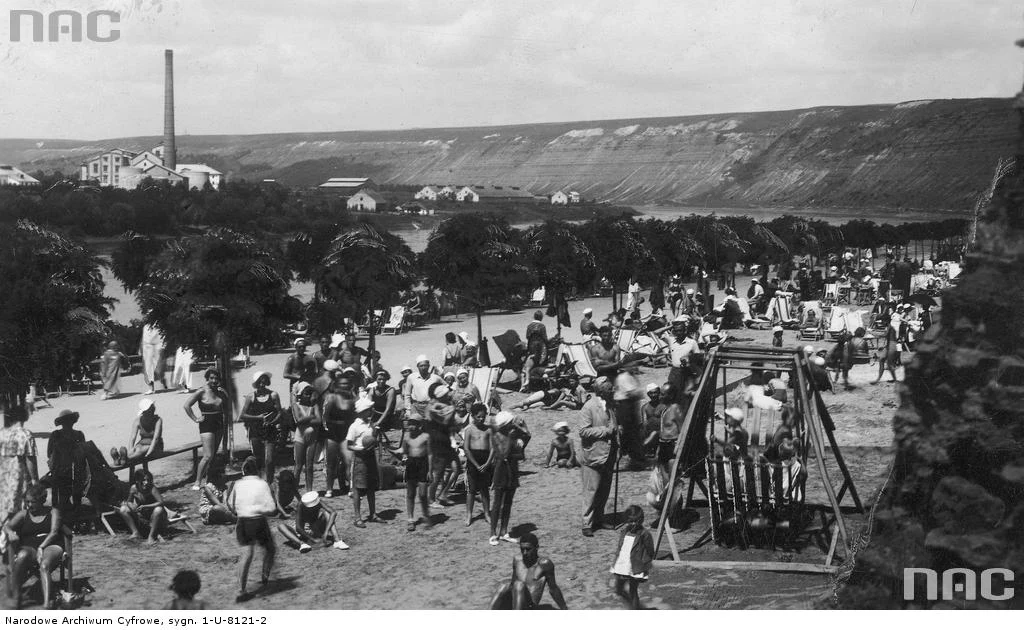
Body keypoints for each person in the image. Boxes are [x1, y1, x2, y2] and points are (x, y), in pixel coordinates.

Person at [3, 484, 65, 609]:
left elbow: (53, 532)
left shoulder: (53, 511)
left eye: (33, 502)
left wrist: (41, 547)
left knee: (44, 565)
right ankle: (16, 597)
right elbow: (7, 526)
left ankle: (47, 604)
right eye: (27, 502)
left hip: (50, 544)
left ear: (42, 500)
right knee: (21, 556)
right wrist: (10, 533)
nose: (29, 505)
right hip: (30, 546)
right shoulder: (23, 514)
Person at [226, 457, 277, 603]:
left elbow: (230, 505)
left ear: (244, 471)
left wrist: (241, 510)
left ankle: (241, 589)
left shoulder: (237, 484)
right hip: (258, 521)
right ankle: (265, 578)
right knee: (270, 549)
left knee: (246, 554)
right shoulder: (262, 484)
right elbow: (272, 508)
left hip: (242, 522)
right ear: (258, 471)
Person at [578, 377, 618, 537]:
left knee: (604, 490)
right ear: (601, 391)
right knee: (591, 490)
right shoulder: (588, 407)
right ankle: (586, 523)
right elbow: (583, 431)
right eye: (610, 389)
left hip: (608, 455)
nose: (613, 391)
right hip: (593, 455)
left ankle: (599, 519)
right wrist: (606, 431)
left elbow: (613, 426)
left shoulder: (610, 406)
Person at [489, 533, 568, 610]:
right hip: (515, 601)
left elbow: (553, 589)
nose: (525, 553)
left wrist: (564, 608)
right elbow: (513, 584)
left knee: (519, 585)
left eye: (528, 549)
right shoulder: (517, 560)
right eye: (522, 549)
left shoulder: (544, 564)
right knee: (504, 585)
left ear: (536, 547)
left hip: (530, 606)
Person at [489, 411, 531, 546]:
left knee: (508, 502)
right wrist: (511, 437)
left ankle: (504, 531)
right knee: (497, 503)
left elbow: (528, 437)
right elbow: (503, 454)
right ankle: (493, 533)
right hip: (501, 470)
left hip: (512, 469)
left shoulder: (513, 433)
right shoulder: (496, 436)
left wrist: (522, 427)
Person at [183, 369, 230, 491]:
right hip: (206, 423)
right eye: (211, 378)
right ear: (207, 379)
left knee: (214, 454)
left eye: (216, 378)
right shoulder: (201, 391)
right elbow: (186, 405)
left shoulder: (221, 392)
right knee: (207, 455)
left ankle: (210, 479)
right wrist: (195, 418)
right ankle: (197, 481)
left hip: (219, 422)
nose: (214, 381)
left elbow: (227, 408)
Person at [238, 372, 284, 484]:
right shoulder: (251, 396)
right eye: (260, 382)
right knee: (258, 459)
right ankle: (259, 481)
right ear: (256, 383)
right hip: (255, 430)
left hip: (270, 430)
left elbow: (279, 412)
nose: (262, 385)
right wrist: (257, 417)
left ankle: (269, 482)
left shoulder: (273, 395)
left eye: (264, 382)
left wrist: (272, 421)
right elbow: (242, 415)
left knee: (269, 460)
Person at [347, 395, 383, 527]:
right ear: (362, 411)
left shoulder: (370, 424)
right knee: (357, 488)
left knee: (371, 487)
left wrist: (376, 436)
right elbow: (349, 445)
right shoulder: (354, 426)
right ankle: (357, 517)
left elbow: (373, 440)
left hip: (370, 458)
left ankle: (373, 514)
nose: (371, 411)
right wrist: (360, 448)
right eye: (369, 409)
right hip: (360, 459)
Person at [610, 504, 654, 610]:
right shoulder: (624, 531)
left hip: (635, 567)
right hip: (622, 565)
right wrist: (615, 562)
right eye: (630, 521)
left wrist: (644, 564)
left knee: (633, 591)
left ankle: (635, 608)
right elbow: (620, 548)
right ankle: (634, 606)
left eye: (636, 521)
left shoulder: (645, 534)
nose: (633, 524)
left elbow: (650, 550)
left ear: (641, 520)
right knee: (618, 589)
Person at [1, 406, 38, 525]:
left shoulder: (2, 434)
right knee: (21, 508)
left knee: (5, 507)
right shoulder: (25, 435)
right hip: (20, 476)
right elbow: (30, 459)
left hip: (4, 476)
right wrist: (35, 480)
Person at [277, 491, 348, 552]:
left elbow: (333, 513)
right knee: (281, 526)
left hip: (314, 528)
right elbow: (298, 528)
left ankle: (337, 540)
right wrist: (313, 539)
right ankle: (302, 544)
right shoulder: (301, 505)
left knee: (327, 513)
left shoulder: (318, 501)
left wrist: (326, 531)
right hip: (301, 532)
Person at [47, 409, 87, 512]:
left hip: (63, 471)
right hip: (67, 471)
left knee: (63, 500)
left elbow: (49, 453)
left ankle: (67, 516)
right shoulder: (77, 434)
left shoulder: (56, 435)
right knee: (71, 499)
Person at [321, 374, 355, 498]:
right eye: (342, 384)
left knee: (349, 461)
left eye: (346, 384)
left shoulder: (352, 399)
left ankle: (352, 488)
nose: (344, 386)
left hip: (346, 433)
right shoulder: (331, 397)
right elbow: (324, 417)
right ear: (337, 385)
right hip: (332, 432)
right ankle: (329, 488)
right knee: (331, 462)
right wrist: (326, 431)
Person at [426, 383, 459, 507]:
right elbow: (445, 421)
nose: (449, 394)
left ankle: (443, 494)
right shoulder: (434, 408)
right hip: (438, 443)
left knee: (456, 469)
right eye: (446, 394)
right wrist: (452, 409)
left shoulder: (445, 406)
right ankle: (431, 499)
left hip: (446, 442)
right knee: (438, 473)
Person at [116, 469, 167, 544]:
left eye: (148, 480)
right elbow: (129, 501)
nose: (146, 483)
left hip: (155, 514)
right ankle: (135, 532)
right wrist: (132, 506)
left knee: (158, 509)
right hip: (142, 512)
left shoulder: (152, 488)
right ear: (137, 480)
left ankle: (151, 536)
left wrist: (146, 506)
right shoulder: (134, 488)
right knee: (123, 509)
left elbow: (161, 502)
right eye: (143, 480)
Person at [400, 417, 433, 531]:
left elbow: (430, 454)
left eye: (414, 424)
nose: (411, 427)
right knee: (410, 493)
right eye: (410, 424)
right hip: (411, 464)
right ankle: (410, 519)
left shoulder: (425, 436)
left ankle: (425, 515)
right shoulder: (407, 437)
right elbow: (404, 452)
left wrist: (430, 470)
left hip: (423, 464)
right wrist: (404, 458)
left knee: (423, 494)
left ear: (420, 425)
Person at [461, 403, 492, 526]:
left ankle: (487, 514)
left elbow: (493, 448)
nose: (481, 419)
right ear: (473, 416)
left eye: (483, 416)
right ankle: (469, 514)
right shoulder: (469, 430)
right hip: (473, 461)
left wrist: (488, 463)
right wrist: (475, 464)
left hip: (485, 460)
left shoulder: (488, 430)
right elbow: (466, 449)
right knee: (471, 490)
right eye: (478, 416)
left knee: (485, 489)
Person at [113, 398, 164, 467]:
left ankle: (124, 459)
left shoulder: (158, 420)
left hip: (156, 447)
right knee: (136, 449)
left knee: (141, 450)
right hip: (142, 443)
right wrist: (130, 450)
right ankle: (121, 459)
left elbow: (156, 438)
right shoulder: (137, 421)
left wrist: (148, 454)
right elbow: (132, 438)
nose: (152, 410)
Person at [406, 355, 442, 423]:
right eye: (421, 366)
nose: (423, 368)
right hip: (416, 407)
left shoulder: (435, 378)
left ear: (429, 366)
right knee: (415, 429)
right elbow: (407, 395)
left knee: (430, 428)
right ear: (417, 366)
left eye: (425, 365)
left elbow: (446, 387)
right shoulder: (411, 377)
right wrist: (408, 409)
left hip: (430, 406)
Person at [521, 311, 549, 392]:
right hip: (540, 346)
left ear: (534, 316)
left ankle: (528, 380)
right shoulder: (542, 326)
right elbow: (545, 337)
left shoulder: (529, 326)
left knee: (531, 360)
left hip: (531, 346)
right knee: (543, 358)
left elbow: (527, 336)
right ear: (541, 317)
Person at [283, 339, 317, 404]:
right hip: (294, 383)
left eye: (303, 347)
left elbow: (313, 371)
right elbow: (285, 374)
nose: (302, 348)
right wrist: (300, 377)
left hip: (306, 383)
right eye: (299, 347)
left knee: (307, 403)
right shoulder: (292, 358)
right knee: (294, 403)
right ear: (295, 347)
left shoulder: (307, 358)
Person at [139, 324, 168, 395]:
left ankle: (162, 379)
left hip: (157, 347)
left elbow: (163, 337)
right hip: (147, 348)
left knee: (159, 369)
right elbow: (143, 338)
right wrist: (140, 348)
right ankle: (151, 388)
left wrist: (163, 347)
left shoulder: (159, 325)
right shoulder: (145, 326)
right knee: (148, 368)